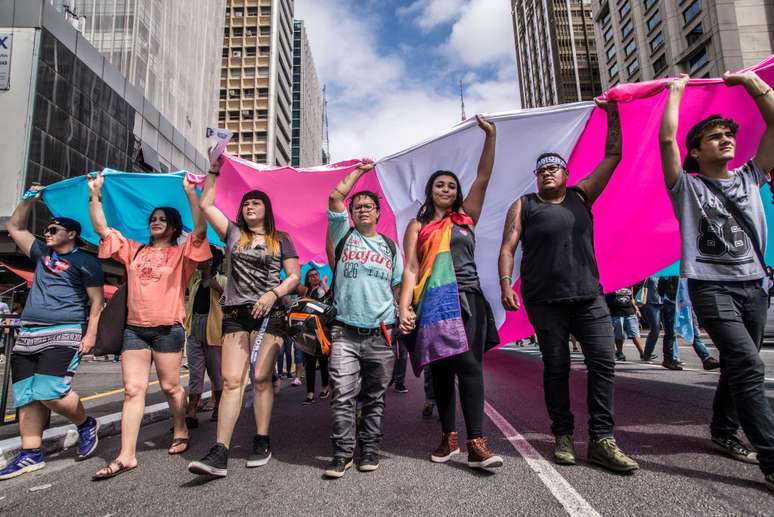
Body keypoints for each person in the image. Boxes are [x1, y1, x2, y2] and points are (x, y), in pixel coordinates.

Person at [498, 99, 639, 473]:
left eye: (554, 168)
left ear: (565, 173)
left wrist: (611, 113)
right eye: (542, 170)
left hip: (589, 296)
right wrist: (505, 283)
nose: (547, 173)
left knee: (603, 363)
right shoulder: (524, 205)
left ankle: (602, 439)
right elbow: (508, 247)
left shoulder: (581, 195)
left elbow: (613, 155)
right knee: (556, 367)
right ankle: (562, 434)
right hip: (544, 300)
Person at [659, 71, 774, 490]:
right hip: (711, 286)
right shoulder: (686, 187)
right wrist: (675, 93)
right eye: (714, 137)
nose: (725, 139)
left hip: (755, 286)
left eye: (728, 134)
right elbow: (666, 141)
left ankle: (724, 430)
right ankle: (771, 457)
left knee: (738, 364)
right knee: (747, 363)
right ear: (696, 152)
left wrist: (751, 85)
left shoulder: (751, 176)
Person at [89, 173, 211, 480]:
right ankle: (126, 455)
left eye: (162, 219)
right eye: (153, 218)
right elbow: (103, 230)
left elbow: (199, 229)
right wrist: (95, 195)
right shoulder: (135, 250)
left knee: (171, 387)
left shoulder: (182, 253)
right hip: (134, 330)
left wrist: (190, 193)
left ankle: (181, 426)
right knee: (133, 390)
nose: (156, 222)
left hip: (168, 329)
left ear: (172, 226)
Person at [399, 115, 503, 470]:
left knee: (470, 367)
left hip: (468, 297)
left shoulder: (465, 219)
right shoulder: (418, 225)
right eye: (440, 185)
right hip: (432, 303)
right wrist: (404, 309)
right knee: (442, 372)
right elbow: (411, 268)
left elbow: (484, 178)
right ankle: (448, 438)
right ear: (430, 190)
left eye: (452, 186)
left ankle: (477, 443)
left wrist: (491, 136)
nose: (446, 190)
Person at [188, 154, 300, 477]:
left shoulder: (282, 240)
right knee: (232, 381)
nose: (250, 207)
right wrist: (214, 168)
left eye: (256, 203)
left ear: (266, 210)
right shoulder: (233, 233)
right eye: (246, 203)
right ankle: (219, 451)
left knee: (262, 378)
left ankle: (261, 439)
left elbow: (293, 276)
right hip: (236, 315)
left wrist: (273, 293)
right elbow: (207, 205)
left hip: (271, 315)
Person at [0, 193, 103, 480]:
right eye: (46, 229)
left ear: (71, 234)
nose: (47, 232)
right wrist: (29, 201)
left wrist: (91, 334)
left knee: (50, 390)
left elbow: (96, 303)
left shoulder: (87, 263)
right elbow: (16, 229)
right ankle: (31, 453)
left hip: (64, 331)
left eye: (53, 229)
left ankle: (85, 423)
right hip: (29, 331)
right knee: (26, 395)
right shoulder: (41, 254)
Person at [323, 160, 403, 478]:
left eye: (369, 206)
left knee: (375, 397)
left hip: (382, 332)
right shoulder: (344, 234)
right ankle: (342, 453)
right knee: (342, 394)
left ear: (378, 213)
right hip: (344, 330)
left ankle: (369, 448)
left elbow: (397, 285)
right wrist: (359, 172)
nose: (363, 210)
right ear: (352, 212)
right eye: (358, 206)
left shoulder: (390, 246)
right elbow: (333, 197)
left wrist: (405, 309)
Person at [183, 248, 226, 427]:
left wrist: (216, 286)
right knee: (195, 373)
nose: (198, 261)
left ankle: (219, 407)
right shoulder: (196, 280)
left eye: (203, 258)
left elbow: (229, 300)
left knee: (216, 373)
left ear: (211, 261)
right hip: (194, 330)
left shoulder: (223, 280)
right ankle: (191, 412)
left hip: (214, 331)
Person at [300, 268, 330, 405]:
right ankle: (310, 393)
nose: (314, 277)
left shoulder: (323, 290)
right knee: (310, 363)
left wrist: (323, 282)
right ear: (308, 278)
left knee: (323, 361)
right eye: (311, 276)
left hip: (322, 331)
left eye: (316, 274)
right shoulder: (306, 292)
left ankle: (325, 387)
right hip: (308, 331)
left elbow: (331, 296)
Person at [604, 287, 645, 362]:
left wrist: (637, 309)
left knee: (635, 334)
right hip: (616, 313)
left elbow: (631, 298)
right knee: (619, 335)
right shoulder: (610, 284)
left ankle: (642, 353)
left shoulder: (629, 283)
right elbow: (605, 299)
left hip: (630, 312)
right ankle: (620, 353)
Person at [639, 276, 662, 362]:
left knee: (671, 331)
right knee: (655, 330)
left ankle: (673, 357)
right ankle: (647, 354)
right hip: (650, 304)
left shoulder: (667, 273)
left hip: (665, 302)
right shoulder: (649, 272)